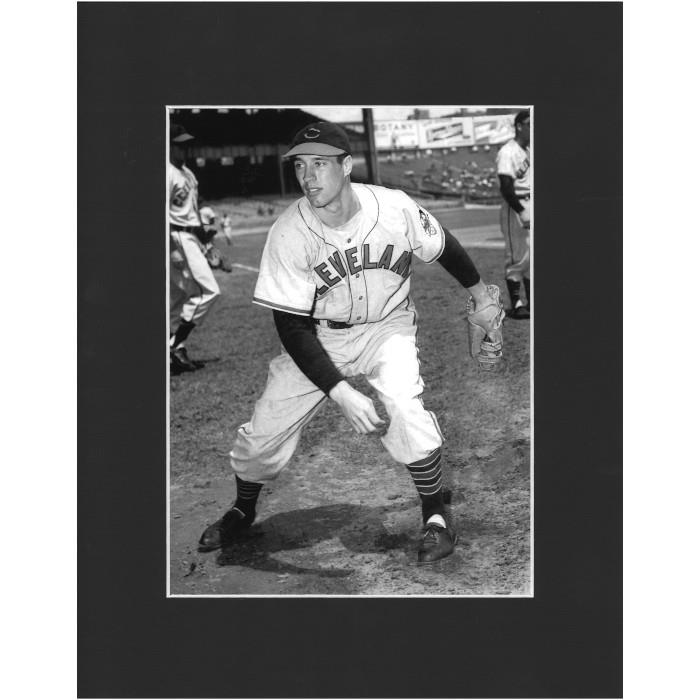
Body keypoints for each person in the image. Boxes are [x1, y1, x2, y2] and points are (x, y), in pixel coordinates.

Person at [198, 122, 504, 564]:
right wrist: (340, 392)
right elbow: (291, 328)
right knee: (262, 437)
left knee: (403, 405)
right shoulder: (288, 232)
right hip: (321, 336)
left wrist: (478, 293)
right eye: (301, 165)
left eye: (320, 164)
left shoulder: (393, 207)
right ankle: (243, 508)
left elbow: (443, 246)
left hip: (388, 327)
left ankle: (436, 515)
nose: (308, 176)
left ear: (346, 166)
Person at [169, 123, 221, 374]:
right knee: (207, 291)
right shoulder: (166, 172)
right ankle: (174, 345)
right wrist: (172, 249)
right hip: (175, 237)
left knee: (180, 297)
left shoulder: (189, 174)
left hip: (190, 237)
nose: (185, 149)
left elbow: (195, 216)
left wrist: (208, 245)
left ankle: (176, 352)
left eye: (187, 144)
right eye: (179, 143)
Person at [496, 109, 531, 319]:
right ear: (519, 126)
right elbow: (506, 187)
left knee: (532, 256)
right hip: (515, 206)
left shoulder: (529, 149)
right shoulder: (507, 152)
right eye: (529, 124)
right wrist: (521, 211)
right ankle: (517, 304)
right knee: (517, 256)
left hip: (531, 201)